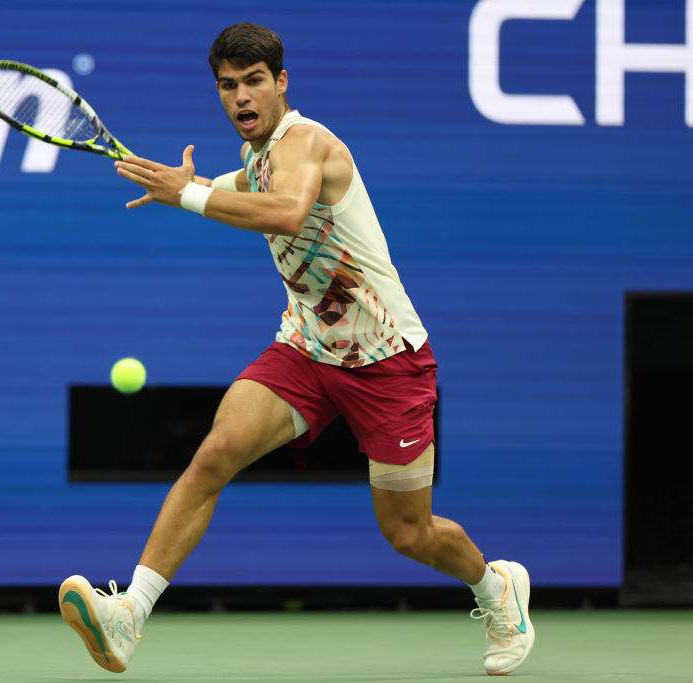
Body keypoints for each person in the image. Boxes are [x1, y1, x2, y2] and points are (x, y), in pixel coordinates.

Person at [58, 22, 534, 677]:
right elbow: (244, 186)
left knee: (408, 532)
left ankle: (495, 586)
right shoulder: (259, 158)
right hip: (307, 350)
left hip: (387, 361)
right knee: (215, 452)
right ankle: (129, 614)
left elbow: (285, 211)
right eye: (228, 85)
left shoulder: (306, 141)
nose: (241, 97)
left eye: (254, 81)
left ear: (282, 83)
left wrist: (189, 195)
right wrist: (185, 184)